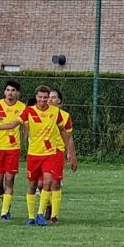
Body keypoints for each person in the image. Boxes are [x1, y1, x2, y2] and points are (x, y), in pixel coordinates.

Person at [0, 86, 74, 226]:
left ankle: (41, 213)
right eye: (40, 97)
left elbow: (63, 131)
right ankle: (31, 217)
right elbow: (12, 124)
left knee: (47, 182)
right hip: (34, 154)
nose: (43, 100)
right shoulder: (29, 111)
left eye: (45, 97)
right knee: (33, 185)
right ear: (36, 97)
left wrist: (69, 149)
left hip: (50, 153)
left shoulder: (55, 112)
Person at [0, 79, 26, 221]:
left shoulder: (22, 107)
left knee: (9, 180)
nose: (10, 93)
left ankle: (4, 212)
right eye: (8, 90)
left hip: (13, 149)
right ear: (4, 92)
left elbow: (25, 128)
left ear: (17, 93)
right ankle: (4, 201)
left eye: (13, 91)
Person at [45, 87, 78, 224]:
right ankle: (47, 205)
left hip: (57, 152)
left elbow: (68, 137)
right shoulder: (42, 113)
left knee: (55, 182)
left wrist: (71, 154)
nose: (50, 100)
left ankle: (54, 215)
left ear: (59, 101)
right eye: (49, 97)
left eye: (53, 97)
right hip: (41, 152)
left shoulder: (64, 116)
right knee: (42, 183)